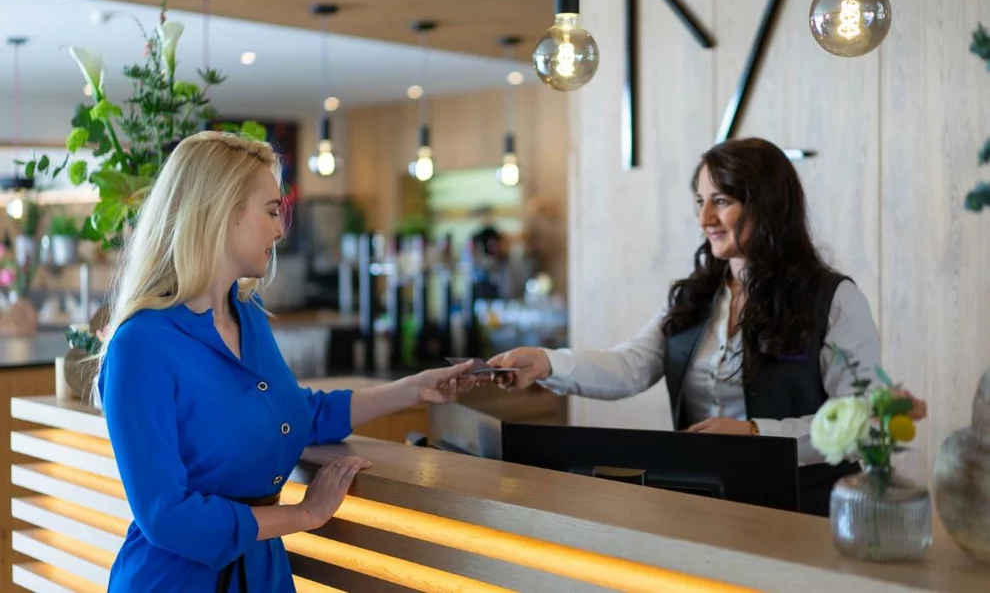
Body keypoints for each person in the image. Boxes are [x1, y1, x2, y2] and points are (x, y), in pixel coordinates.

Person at [96, 131, 477, 592]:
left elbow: (293, 414)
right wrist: (305, 514)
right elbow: (165, 515)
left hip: (262, 573)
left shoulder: (248, 315)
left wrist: (414, 389)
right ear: (222, 212)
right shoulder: (141, 345)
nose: (280, 231)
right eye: (272, 211)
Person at [486, 137, 927, 516]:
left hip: (803, 510)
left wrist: (756, 435)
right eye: (701, 202)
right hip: (702, 504)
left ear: (767, 205)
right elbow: (630, 366)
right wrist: (547, 363)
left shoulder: (833, 299)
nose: (704, 220)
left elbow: (862, 421)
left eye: (721, 201)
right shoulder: (696, 298)